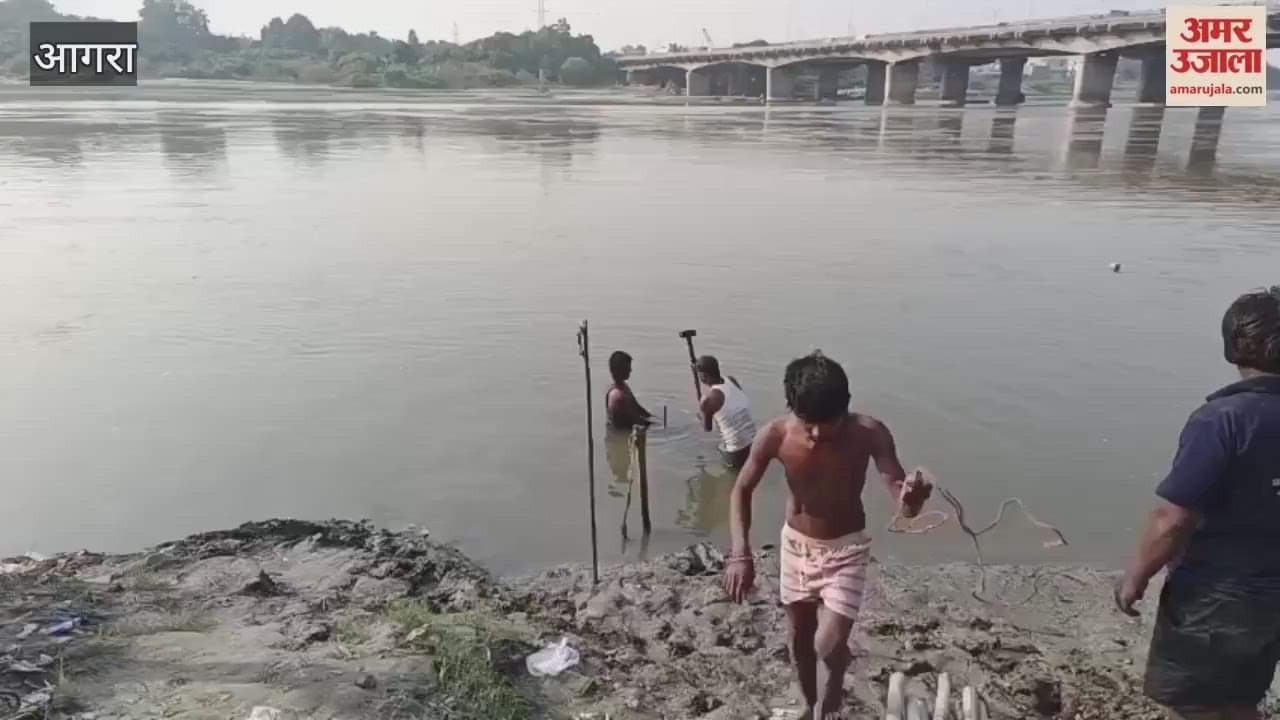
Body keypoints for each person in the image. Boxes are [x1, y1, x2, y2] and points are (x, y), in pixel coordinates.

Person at [724, 351, 932, 720]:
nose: (818, 433)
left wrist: (911, 500)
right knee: (799, 638)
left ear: (846, 407)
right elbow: (741, 490)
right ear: (791, 407)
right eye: (809, 423)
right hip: (794, 546)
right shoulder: (775, 435)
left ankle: (832, 693)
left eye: (828, 423)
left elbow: (900, 498)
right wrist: (741, 553)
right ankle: (808, 704)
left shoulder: (869, 433)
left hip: (846, 549)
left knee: (827, 643)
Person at [1116, 287, 1280, 720]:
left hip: (1217, 596)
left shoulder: (1222, 420)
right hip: (1271, 599)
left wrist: (1136, 576)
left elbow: (1172, 519)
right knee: (1239, 700)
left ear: (1233, 345)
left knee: (1195, 705)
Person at [695, 355, 757, 469]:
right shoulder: (731, 380)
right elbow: (734, 406)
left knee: (716, 449)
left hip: (736, 452)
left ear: (704, 376)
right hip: (755, 444)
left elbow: (707, 429)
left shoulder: (707, 400)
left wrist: (701, 416)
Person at [605, 351, 655, 431]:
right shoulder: (618, 396)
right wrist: (655, 426)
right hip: (621, 433)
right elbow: (634, 420)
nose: (630, 370)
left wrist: (652, 418)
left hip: (626, 427)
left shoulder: (624, 387)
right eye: (628, 368)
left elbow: (637, 407)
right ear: (620, 370)